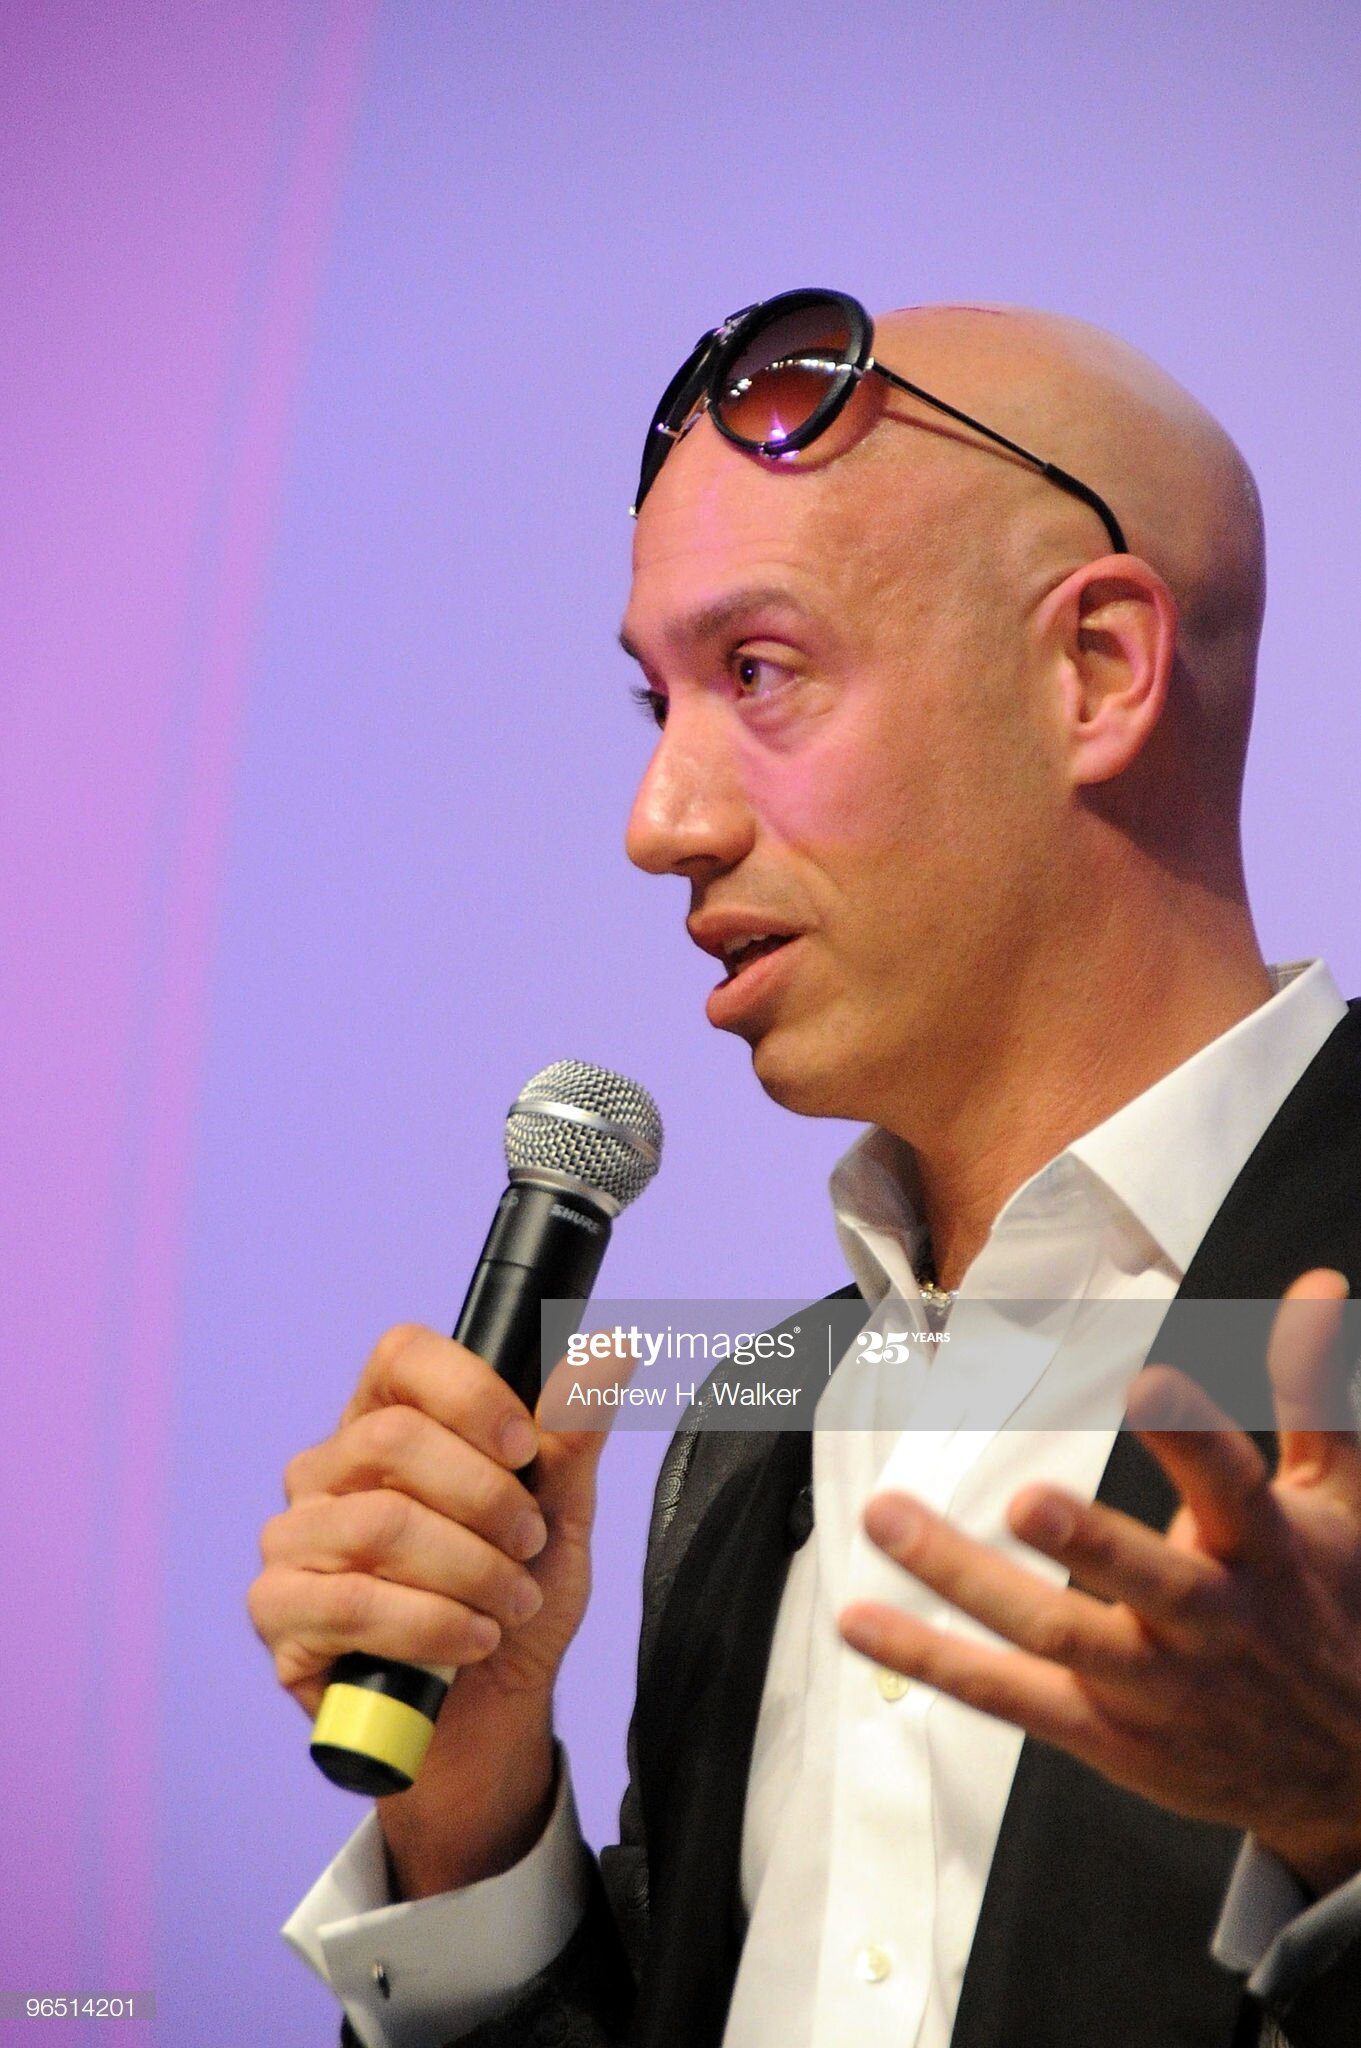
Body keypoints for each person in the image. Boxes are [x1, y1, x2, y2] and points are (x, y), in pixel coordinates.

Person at [249, 291, 1361, 2048]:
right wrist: (467, 1812)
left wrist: (1347, 1835)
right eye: (656, 702)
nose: (658, 820)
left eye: (756, 673)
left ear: (1095, 672)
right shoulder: (759, 1415)